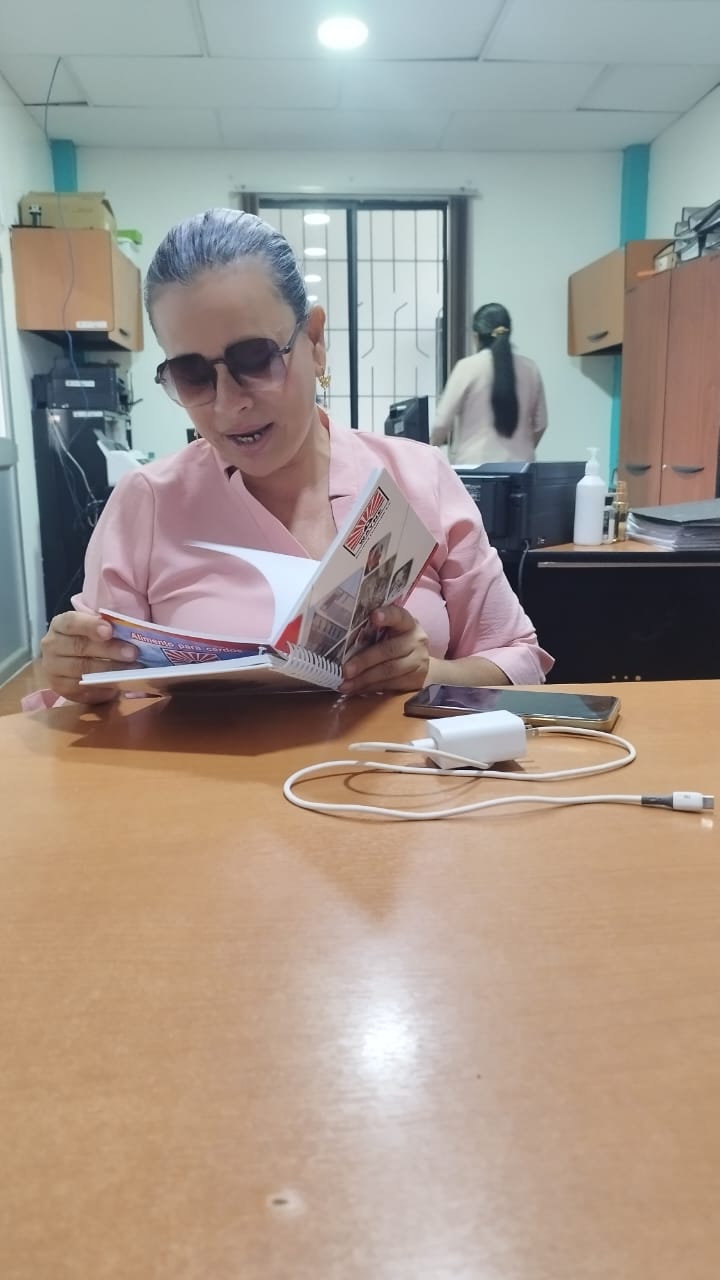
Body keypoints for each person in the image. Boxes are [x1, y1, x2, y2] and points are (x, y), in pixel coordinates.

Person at [39, 211, 552, 705]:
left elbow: (518, 658)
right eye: (192, 375)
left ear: (314, 341)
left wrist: (429, 674)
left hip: (403, 766)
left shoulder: (419, 478)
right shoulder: (148, 502)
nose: (229, 404)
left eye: (255, 358)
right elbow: (99, 690)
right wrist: (81, 678)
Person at [431, 303, 547, 465]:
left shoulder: (467, 367)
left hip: (475, 466)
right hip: (521, 468)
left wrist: (429, 450)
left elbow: (442, 423)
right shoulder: (530, 368)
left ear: (476, 336)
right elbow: (541, 424)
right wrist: (522, 448)